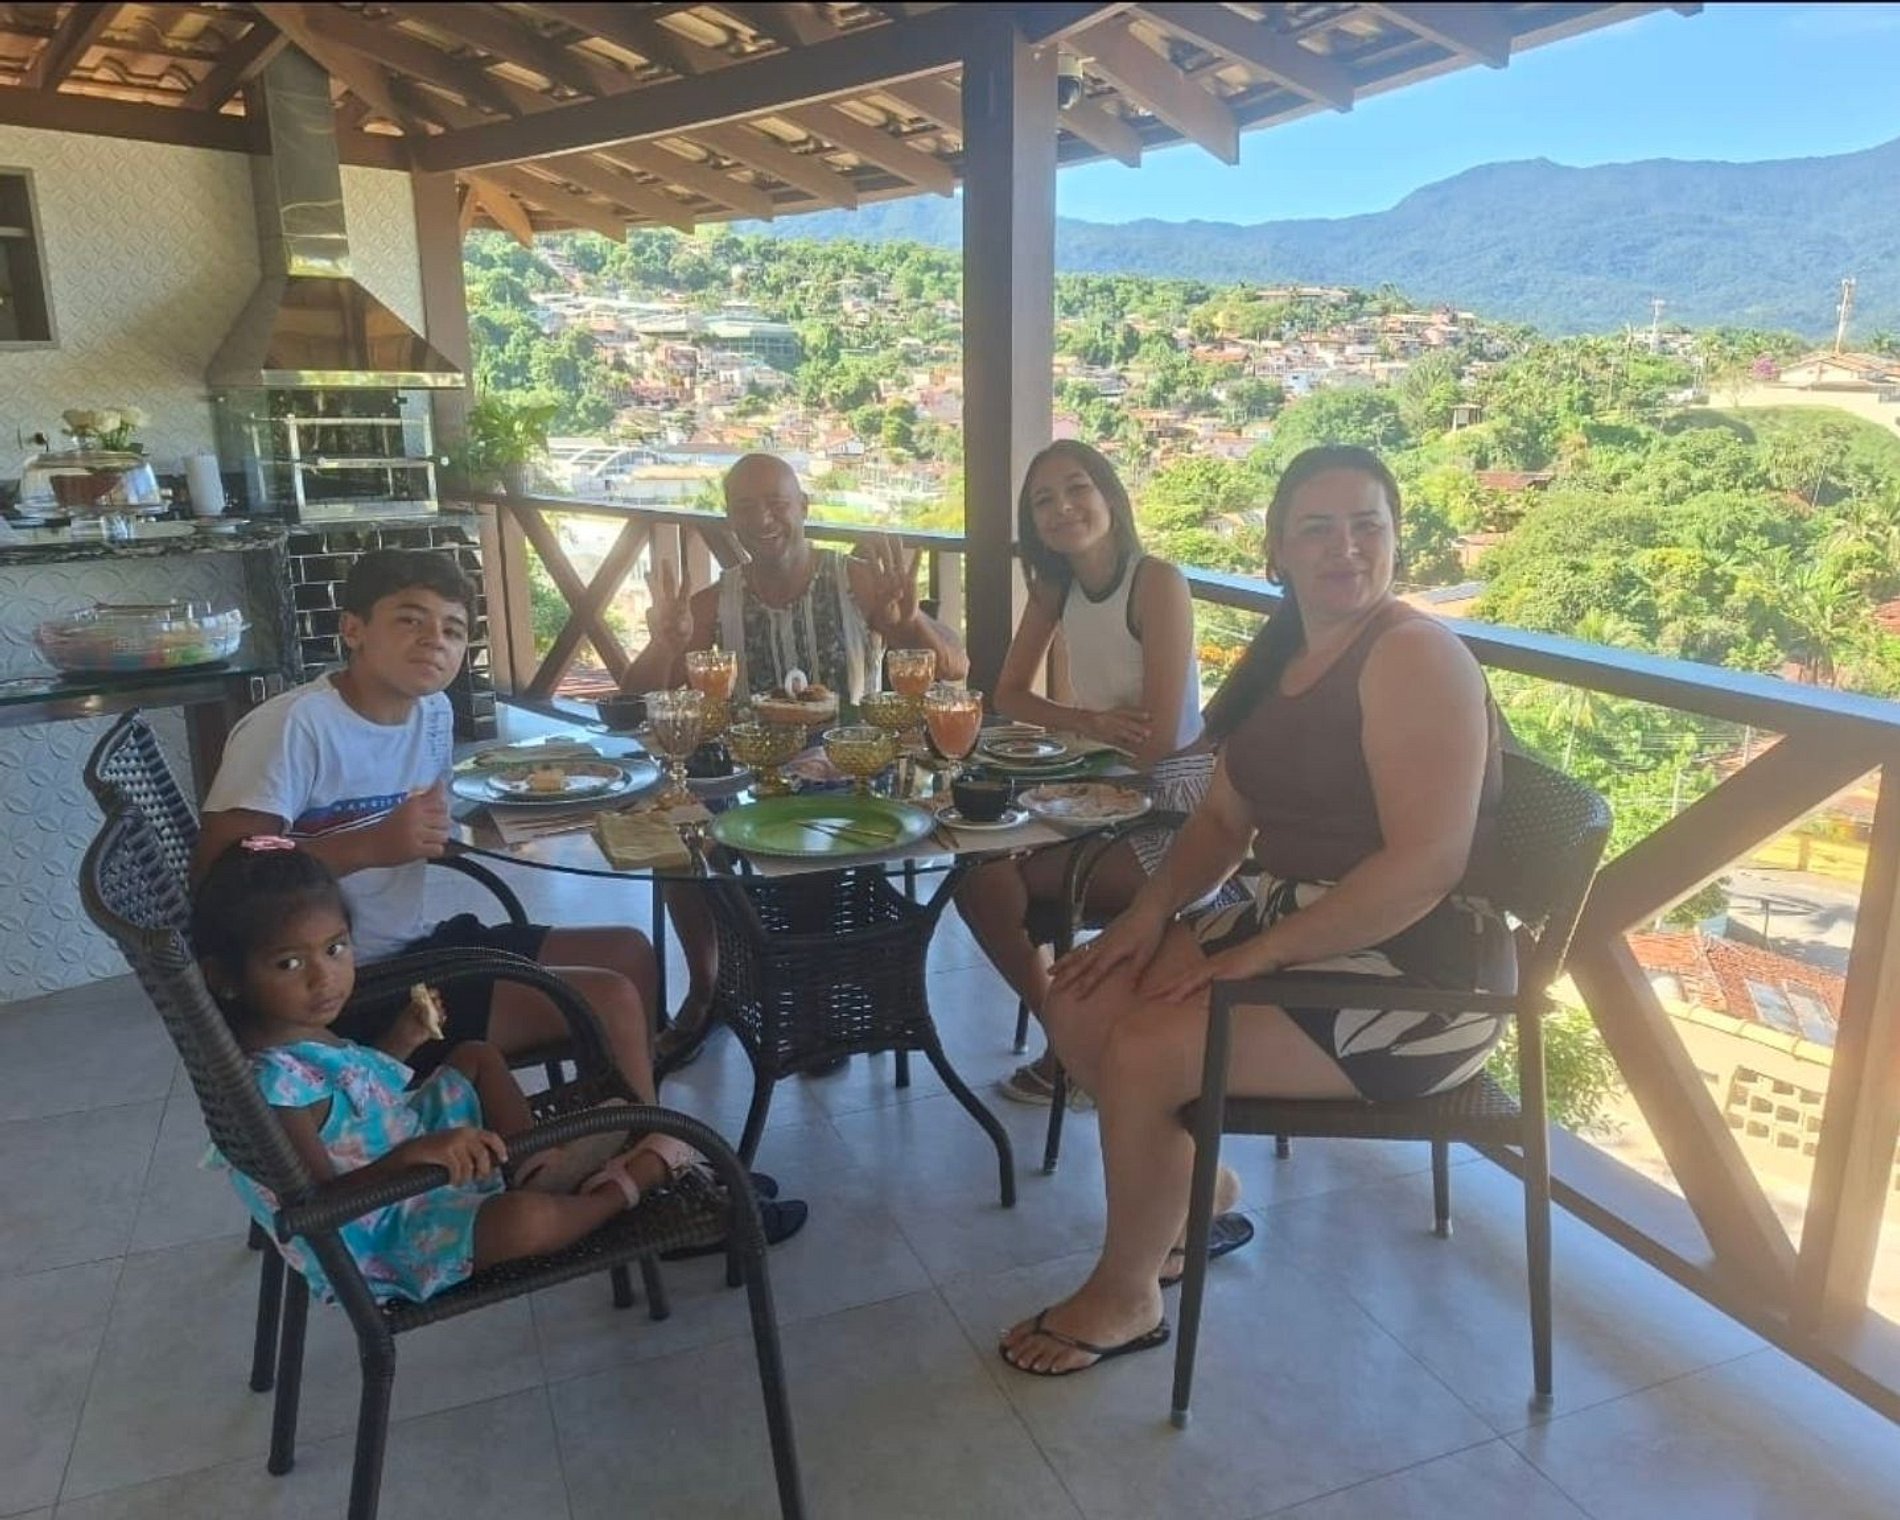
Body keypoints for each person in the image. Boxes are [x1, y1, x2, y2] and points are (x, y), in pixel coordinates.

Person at [999, 445, 1515, 1376]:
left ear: (1397, 540)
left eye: (1366, 526)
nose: (1344, 547)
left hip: (1417, 974)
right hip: (1292, 923)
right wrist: (1146, 916)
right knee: (1080, 998)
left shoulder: (1413, 655)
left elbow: (1426, 866)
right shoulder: (1286, 651)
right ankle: (1200, 1193)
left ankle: (1127, 1293)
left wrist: (1260, 956)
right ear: (1276, 550)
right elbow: (1223, 820)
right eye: (1317, 528)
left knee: (1148, 1049)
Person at [194, 549, 660, 1091]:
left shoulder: (433, 710)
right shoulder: (294, 727)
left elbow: (430, 831)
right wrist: (370, 845)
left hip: (414, 947)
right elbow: (220, 875)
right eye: (410, 620)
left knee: (629, 952)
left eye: (453, 629)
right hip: (342, 986)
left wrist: (508, 826)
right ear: (353, 629)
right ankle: (645, 1134)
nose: (435, 640)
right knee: (609, 998)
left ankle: (616, 1113)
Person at [191, 838, 723, 1304]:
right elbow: (320, 1204)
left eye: (336, 949)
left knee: (476, 1056)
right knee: (524, 1223)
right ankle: (617, 1192)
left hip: (395, 1149)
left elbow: (356, 1090)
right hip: (385, 1232)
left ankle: (533, 1168)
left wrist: (403, 1039)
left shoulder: (295, 1029)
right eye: (289, 963)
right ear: (226, 978)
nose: (324, 978)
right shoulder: (274, 1087)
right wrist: (413, 1156)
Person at [622, 453, 969, 1050]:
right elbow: (637, 698)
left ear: (804, 507)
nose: (763, 519)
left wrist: (910, 623)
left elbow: (956, 668)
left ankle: (812, 996)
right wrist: (665, 646)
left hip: (854, 769)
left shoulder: (855, 580)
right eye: (745, 507)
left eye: (777, 503)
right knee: (674, 834)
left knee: (809, 842)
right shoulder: (715, 601)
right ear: (730, 519)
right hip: (746, 774)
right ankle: (708, 990)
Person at [952, 441, 1213, 1107]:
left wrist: (1083, 772)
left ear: (1109, 497)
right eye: (1044, 500)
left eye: (1077, 489)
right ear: (1033, 523)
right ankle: (1070, 1042)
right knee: (978, 876)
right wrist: (1089, 722)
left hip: (1179, 808)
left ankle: (1070, 1054)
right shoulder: (1056, 587)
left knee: (997, 881)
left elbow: (1160, 741)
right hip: (1106, 791)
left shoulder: (1155, 582)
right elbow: (1007, 692)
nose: (1063, 507)